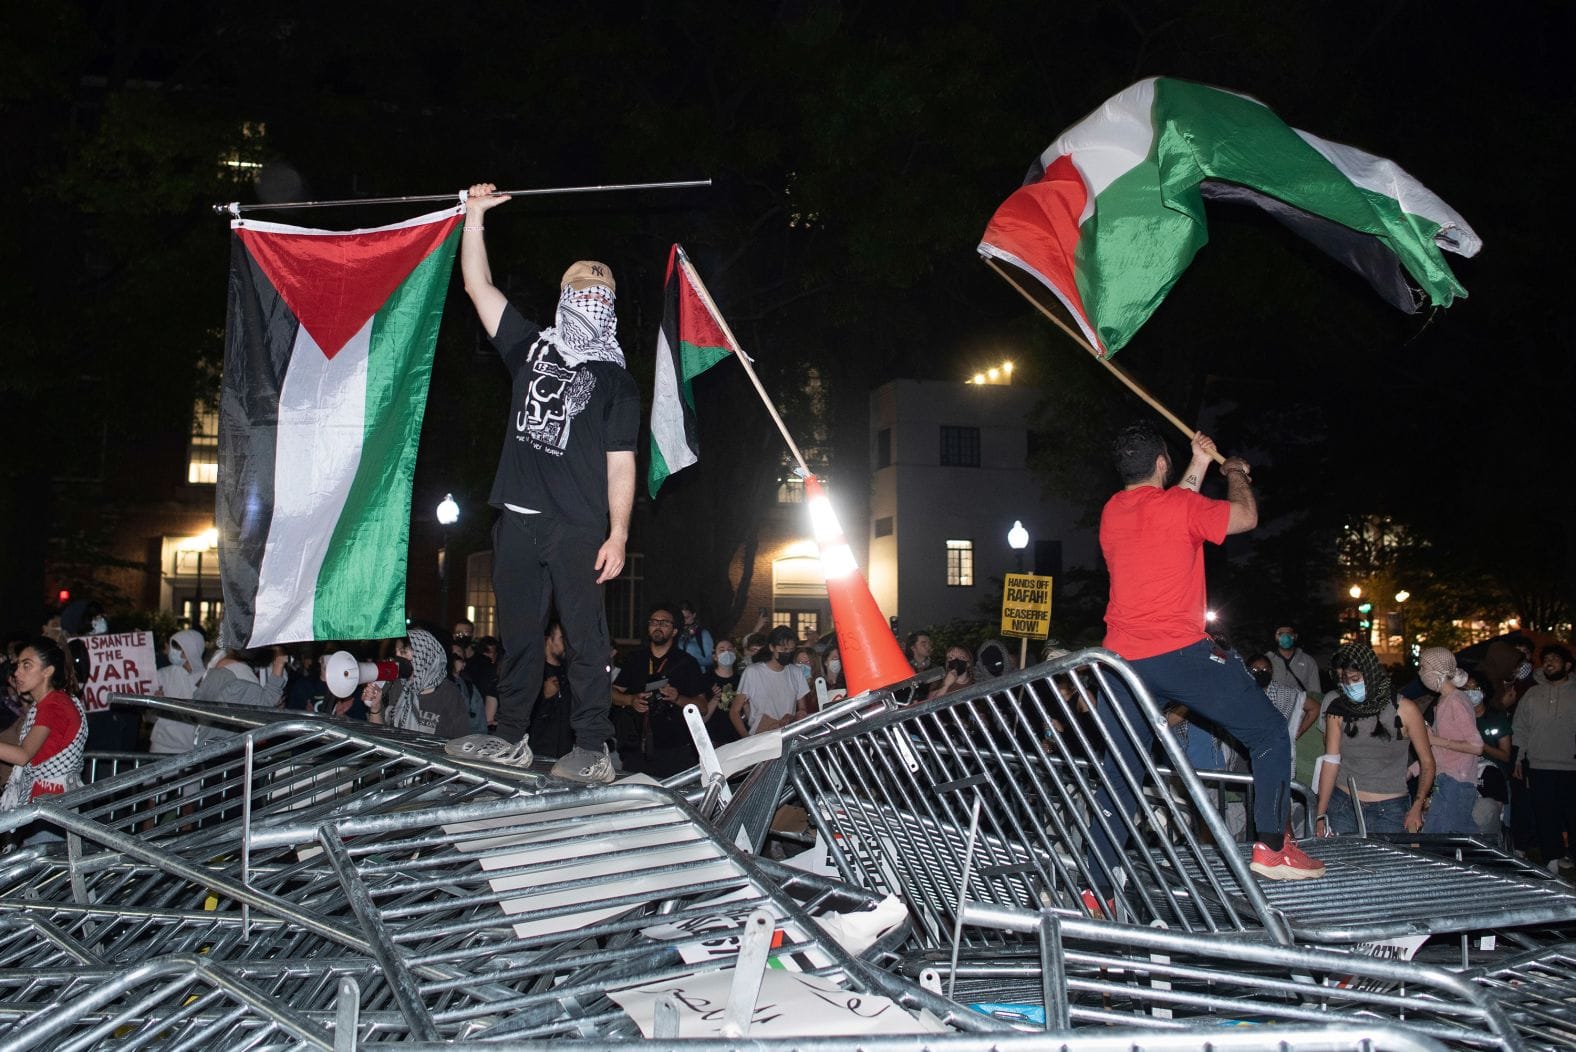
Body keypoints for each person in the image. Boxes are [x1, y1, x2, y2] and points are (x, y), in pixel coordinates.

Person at [448, 182, 639, 785]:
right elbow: (479, 288)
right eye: (580, 294)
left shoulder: (618, 382)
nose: (589, 304)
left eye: (599, 297)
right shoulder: (530, 347)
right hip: (519, 521)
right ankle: (510, 739)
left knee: (585, 639)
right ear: (564, 299)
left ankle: (594, 746)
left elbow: (621, 462)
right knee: (520, 636)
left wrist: (619, 533)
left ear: (610, 308)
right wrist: (473, 218)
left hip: (579, 526)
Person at [1096, 422, 1321, 881]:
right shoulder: (1180, 507)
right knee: (1270, 734)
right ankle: (1272, 848)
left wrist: (1199, 463)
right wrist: (1235, 472)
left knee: (1120, 771)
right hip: (1181, 656)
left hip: (1119, 665)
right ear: (1162, 463)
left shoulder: (1113, 512)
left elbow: (1171, 506)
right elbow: (1245, 516)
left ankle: (1094, 886)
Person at [1315, 642, 1435, 837]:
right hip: (1343, 805)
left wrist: (1417, 806)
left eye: (1355, 679)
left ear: (1370, 673)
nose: (1349, 686)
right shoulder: (1337, 710)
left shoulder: (1405, 710)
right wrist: (1320, 814)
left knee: (1387, 867)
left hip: (1390, 810)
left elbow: (1427, 763)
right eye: (1343, 681)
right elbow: (1331, 762)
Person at [612, 603, 708, 777]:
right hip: (636, 749)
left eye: (664, 623)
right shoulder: (635, 659)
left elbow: (702, 706)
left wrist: (678, 698)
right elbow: (611, 693)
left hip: (675, 749)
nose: (658, 626)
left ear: (675, 631)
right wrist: (631, 700)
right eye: (654, 622)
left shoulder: (687, 663)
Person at [0, 639, 88, 826]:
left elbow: (23, 755)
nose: (17, 672)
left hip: (50, 805)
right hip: (50, 802)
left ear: (47, 671)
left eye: (27, 666)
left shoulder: (53, 706)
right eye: (18, 666)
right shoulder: (52, 702)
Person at [1511, 645, 1576, 875]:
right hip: (1539, 764)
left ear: (1567, 665)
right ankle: (1552, 858)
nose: (1549, 662)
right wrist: (1518, 758)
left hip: (1571, 764)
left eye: (1555, 659)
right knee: (1545, 813)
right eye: (1546, 659)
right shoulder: (1532, 693)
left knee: (1572, 813)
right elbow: (1520, 727)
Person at [1418, 647, 1483, 834]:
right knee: (1460, 838)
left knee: (1436, 839)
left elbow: (1476, 746)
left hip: (1456, 781)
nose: (1420, 673)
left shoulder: (1455, 700)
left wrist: (1434, 739)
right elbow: (1438, 748)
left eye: (1423, 667)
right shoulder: (1445, 700)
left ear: (1437, 669)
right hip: (1449, 779)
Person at [367, 629, 470, 740]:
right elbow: (378, 736)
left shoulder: (449, 693)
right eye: (396, 653)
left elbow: (461, 741)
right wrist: (375, 708)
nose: (397, 659)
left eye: (403, 652)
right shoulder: (395, 685)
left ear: (423, 655)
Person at [1248, 653, 1317, 782]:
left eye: (1265, 669)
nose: (1261, 672)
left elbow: (1314, 708)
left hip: (1277, 756)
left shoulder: (1285, 693)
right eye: (1255, 670)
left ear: (1271, 671)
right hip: (1248, 753)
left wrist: (1297, 732)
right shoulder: (1241, 694)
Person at [731, 626, 809, 737]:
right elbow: (734, 711)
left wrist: (795, 716)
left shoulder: (796, 672)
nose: (787, 653)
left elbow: (802, 708)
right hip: (761, 736)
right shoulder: (753, 672)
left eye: (791, 650)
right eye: (783, 649)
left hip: (787, 734)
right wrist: (746, 738)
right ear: (772, 647)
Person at [1469, 671, 1513, 843]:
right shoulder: (1460, 718)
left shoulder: (1496, 718)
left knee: (1499, 824)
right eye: (1466, 689)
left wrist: (1481, 746)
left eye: (1475, 688)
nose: (1470, 693)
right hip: (1470, 778)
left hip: (1496, 779)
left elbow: (1505, 755)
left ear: (1483, 691)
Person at [150, 628, 206, 757]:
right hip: (161, 743)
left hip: (189, 747)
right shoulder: (163, 674)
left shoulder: (207, 678)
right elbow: (150, 712)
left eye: (178, 649)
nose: (172, 652)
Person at [527, 621, 575, 759]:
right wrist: (544, 696)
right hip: (537, 753)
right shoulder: (534, 672)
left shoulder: (569, 673)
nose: (567, 643)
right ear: (548, 640)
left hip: (564, 754)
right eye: (562, 638)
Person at [701, 638, 742, 746]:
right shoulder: (705, 680)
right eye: (722, 650)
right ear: (715, 656)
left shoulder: (742, 679)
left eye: (730, 649)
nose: (727, 653)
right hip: (714, 739)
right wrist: (715, 698)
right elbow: (702, 718)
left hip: (737, 738)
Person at [676, 601, 715, 675]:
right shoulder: (677, 634)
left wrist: (690, 661)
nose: (684, 621)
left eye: (687, 617)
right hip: (681, 675)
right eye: (681, 618)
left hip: (698, 675)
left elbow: (710, 659)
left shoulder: (703, 633)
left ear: (694, 615)